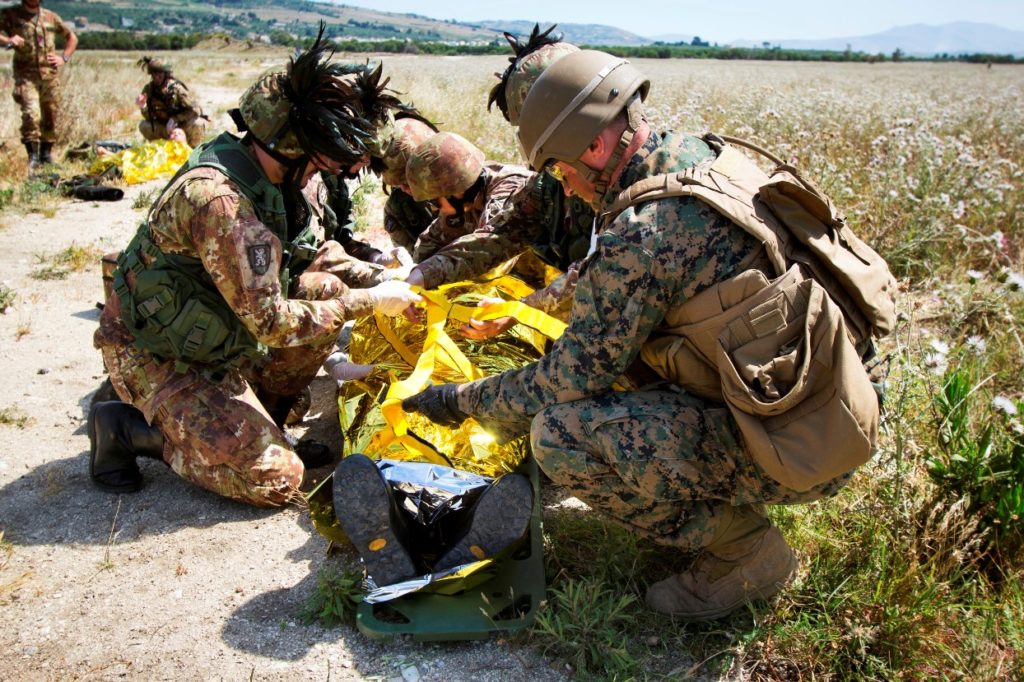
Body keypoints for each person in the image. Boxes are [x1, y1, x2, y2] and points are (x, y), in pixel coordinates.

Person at [402, 49, 880, 620]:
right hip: (840, 390)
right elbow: (610, 288)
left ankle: (744, 552)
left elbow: (566, 380)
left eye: (559, 170)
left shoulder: (648, 230)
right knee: (611, 367)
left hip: (810, 434)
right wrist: (529, 307)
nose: (565, 188)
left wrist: (457, 401)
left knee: (560, 436)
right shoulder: (700, 158)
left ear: (595, 147)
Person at [89, 32, 421, 508]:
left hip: (214, 332)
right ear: (293, 142)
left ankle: (266, 422)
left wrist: (384, 276)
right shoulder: (220, 203)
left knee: (322, 287)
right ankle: (126, 429)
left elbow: (313, 256)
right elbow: (272, 322)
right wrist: (367, 302)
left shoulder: (275, 181)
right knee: (276, 480)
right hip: (153, 354)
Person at [0, 0, 76, 169]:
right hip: (26, 75)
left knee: (51, 115)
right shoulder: (11, 15)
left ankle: (46, 156)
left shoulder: (51, 16)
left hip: (49, 76)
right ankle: (32, 157)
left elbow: (72, 37)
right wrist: (8, 41)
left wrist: (63, 58)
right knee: (31, 114)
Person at [136, 56, 208, 148]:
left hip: (182, 127)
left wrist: (175, 119)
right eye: (154, 74)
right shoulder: (149, 89)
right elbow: (149, 117)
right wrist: (143, 107)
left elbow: (195, 110)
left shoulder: (176, 88)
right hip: (164, 128)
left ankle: (193, 150)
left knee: (197, 123)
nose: (156, 77)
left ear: (165, 74)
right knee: (144, 125)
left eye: (159, 74)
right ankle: (159, 147)